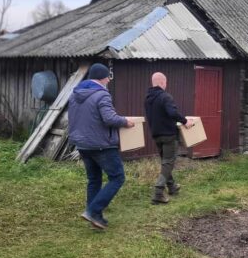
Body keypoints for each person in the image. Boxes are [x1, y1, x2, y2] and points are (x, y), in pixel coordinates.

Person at [69, 63, 135, 230]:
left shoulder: (76, 94)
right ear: (103, 78)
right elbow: (109, 118)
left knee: (94, 179)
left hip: (82, 144)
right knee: (117, 177)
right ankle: (93, 210)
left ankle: (95, 217)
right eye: (108, 77)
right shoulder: (101, 95)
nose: (108, 80)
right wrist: (125, 121)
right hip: (101, 145)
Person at [145, 72, 194, 205]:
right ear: (162, 82)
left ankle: (171, 187)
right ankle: (158, 192)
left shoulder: (148, 98)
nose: (166, 85)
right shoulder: (165, 97)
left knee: (165, 161)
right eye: (165, 83)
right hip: (168, 135)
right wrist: (185, 121)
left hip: (156, 135)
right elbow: (172, 112)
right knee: (168, 162)